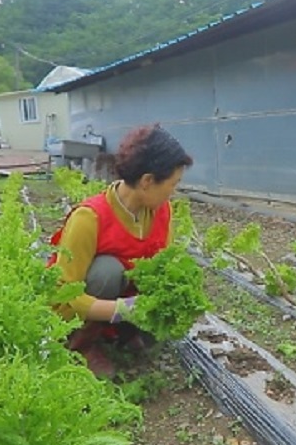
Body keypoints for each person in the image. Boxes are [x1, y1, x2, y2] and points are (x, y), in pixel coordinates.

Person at [48, 123, 193, 377]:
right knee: (107, 271)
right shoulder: (89, 218)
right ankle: (83, 344)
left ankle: (125, 334)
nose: (174, 193)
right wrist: (123, 309)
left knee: (156, 277)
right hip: (91, 302)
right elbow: (64, 295)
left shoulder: (161, 211)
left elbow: (164, 265)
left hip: (129, 298)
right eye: (172, 184)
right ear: (147, 181)